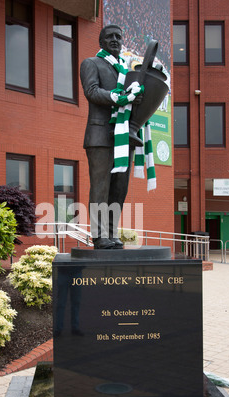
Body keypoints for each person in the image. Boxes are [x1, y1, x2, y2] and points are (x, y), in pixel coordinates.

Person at [80, 25, 142, 250]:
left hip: (124, 137)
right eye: (110, 37)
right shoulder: (91, 63)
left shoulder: (126, 70)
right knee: (100, 188)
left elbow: (131, 99)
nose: (115, 40)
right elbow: (92, 92)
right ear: (101, 41)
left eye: (118, 36)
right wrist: (121, 98)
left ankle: (112, 233)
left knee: (119, 189)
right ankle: (99, 236)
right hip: (100, 136)